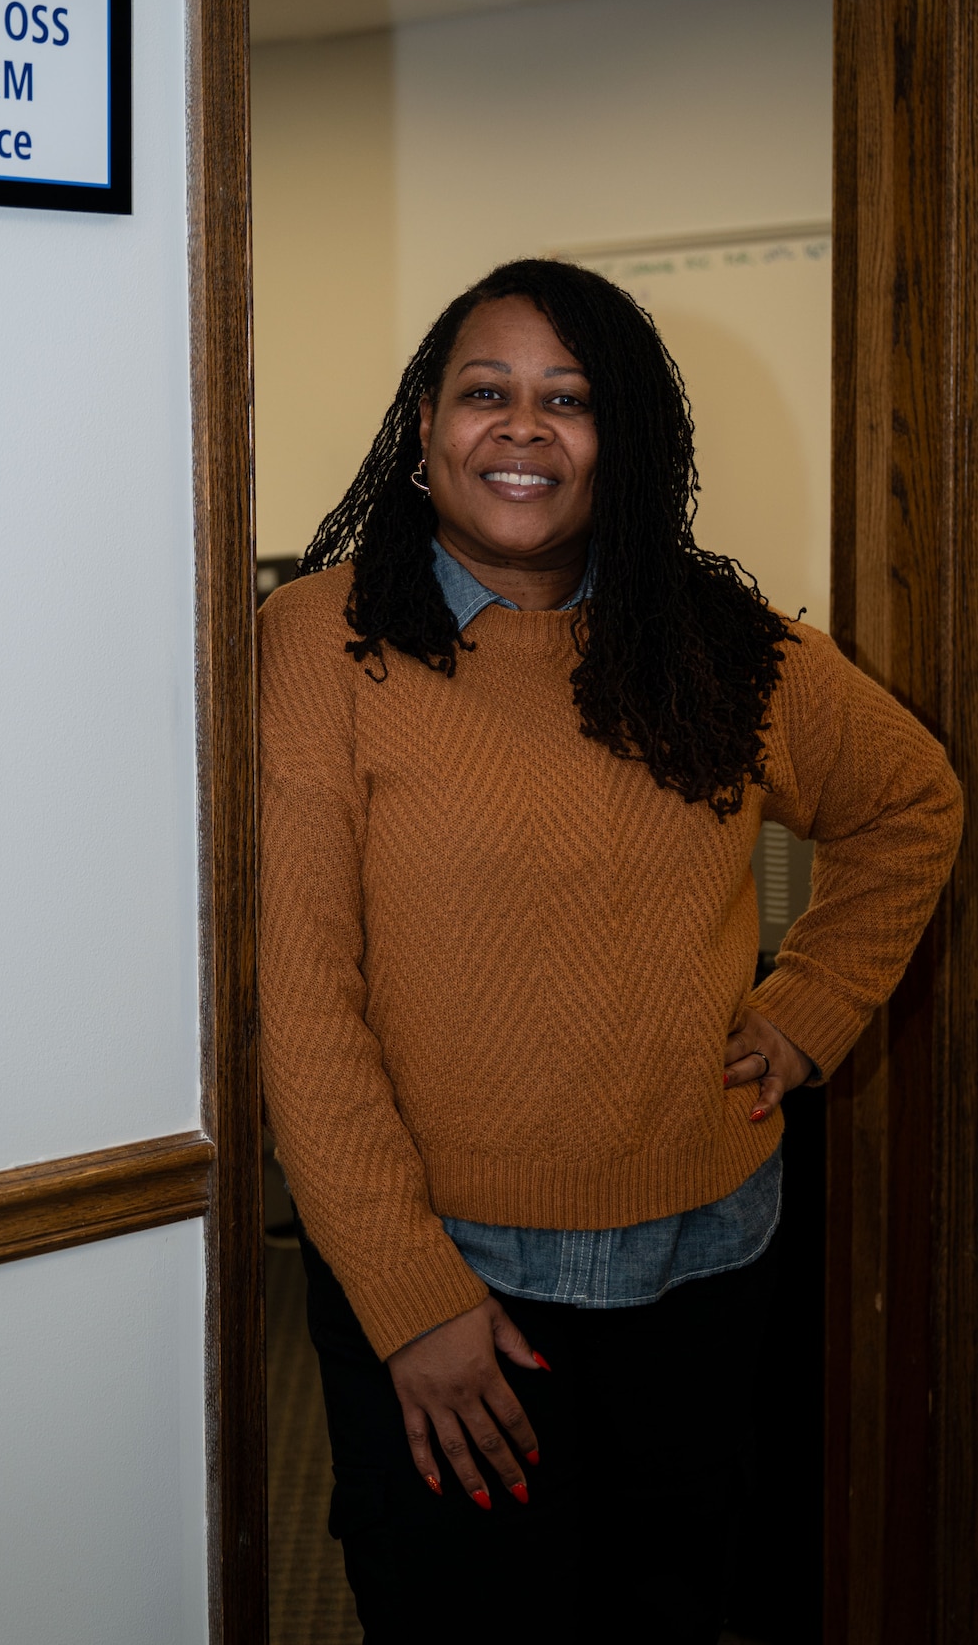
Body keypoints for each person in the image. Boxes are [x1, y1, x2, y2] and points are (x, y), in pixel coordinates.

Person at [257, 259, 962, 1645]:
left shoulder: (723, 649)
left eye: (568, 401)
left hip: (703, 1257)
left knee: (672, 1608)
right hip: (444, 1271)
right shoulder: (318, 644)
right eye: (485, 393)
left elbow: (908, 802)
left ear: (622, 443)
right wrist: (411, 1301)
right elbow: (303, 1004)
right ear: (423, 429)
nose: (521, 428)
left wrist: (811, 1003)